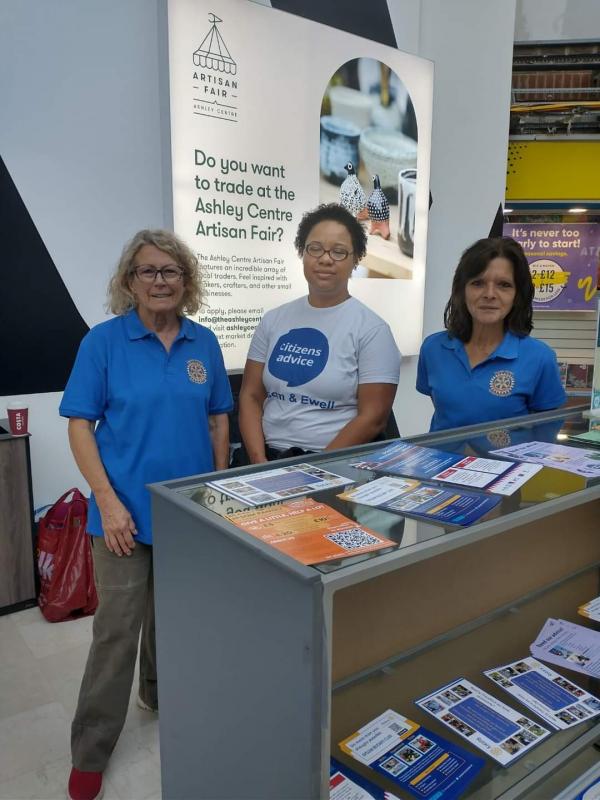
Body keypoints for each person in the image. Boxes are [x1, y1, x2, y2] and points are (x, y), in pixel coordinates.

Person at [59, 229, 232, 800]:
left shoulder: (203, 343)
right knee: (117, 631)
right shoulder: (103, 343)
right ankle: (90, 751)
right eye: (147, 271)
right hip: (122, 516)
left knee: (174, 618)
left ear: (187, 281)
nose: (160, 281)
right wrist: (106, 501)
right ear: (128, 282)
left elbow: (216, 420)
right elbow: (80, 424)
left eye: (171, 271)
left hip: (186, 512)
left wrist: (213, 491)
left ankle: (157, 693)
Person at [239, 203, 401, 463]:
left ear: (356, 259)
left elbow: (373, 418)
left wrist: (314, 472)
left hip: (335, 465)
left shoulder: (372, 329)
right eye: (314, 248)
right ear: (302, 252)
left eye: (339, 252)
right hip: (267, 460)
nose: (325, 259)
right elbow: (251, 395)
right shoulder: (273, 320)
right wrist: (259, 463)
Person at [417, 236, 565, 431]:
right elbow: (447, 412)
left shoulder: (540, 357)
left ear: (517, 295)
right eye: (478, 283)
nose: (489, 294)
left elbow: (546, 433)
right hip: (442, 460)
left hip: (508, 462)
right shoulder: (433, 348)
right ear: (461, 290)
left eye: (504, 285)